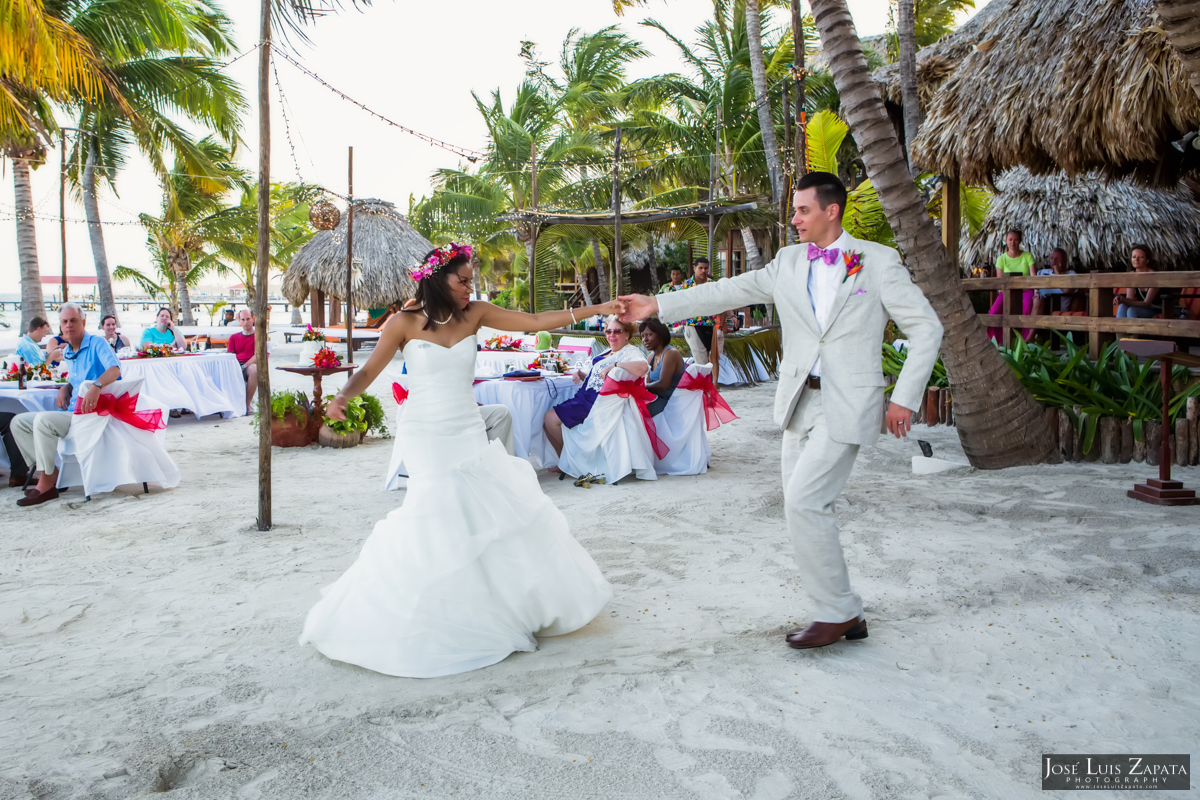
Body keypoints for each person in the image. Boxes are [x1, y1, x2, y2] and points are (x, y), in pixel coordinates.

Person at [618, 171, 943, 650]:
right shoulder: (788, 262)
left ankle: (835, 613)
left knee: (806, 501)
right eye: (794, 211)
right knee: (804, 507)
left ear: (831, 211)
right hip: (798, 401)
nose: (794, 220)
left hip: (848, 401)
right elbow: (726, 291)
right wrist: (657, 304)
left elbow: (927, 328)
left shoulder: (877, 262)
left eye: (802, 210)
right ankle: (846, 610)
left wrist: (903, 398)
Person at [299, 242, 618, 678]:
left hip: (466, 427)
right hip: (425, 431)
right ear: (437, 278)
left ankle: (488, 605)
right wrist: (341, 397)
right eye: (463, 280)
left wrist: (598, 308)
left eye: (472, 280)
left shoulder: (477, 314)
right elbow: (370, 370)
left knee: (477, 509)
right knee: (435, 509)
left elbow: (537, 321)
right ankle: (432, 611)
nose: (470, 287)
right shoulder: (402, 322)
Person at [11, 303, 122, 507]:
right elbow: (78, 378)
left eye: (73, 320)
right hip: (74, 412)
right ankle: (51, 473)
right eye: (64, 322)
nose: (68, 325)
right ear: (60, 326)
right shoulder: (69, 350)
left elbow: (115, 370)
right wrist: (66, 387)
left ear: (84, 322)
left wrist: (97, 385)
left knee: (44, 420)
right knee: (18, 422)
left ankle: (46, 484)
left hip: (91, 414)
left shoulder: (98, 343)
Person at [542, 316, 650, 457]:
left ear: (627, 334)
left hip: (595, 404)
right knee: (546, 423)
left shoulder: (630, 351)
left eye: (617, 331)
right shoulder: (608, 351)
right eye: (608, 331)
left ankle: (572, 462)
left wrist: (616, 365)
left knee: (549, 419)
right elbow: (599, 376)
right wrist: (583, 375)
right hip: (584, 398)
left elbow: (643, 367)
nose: (611, 335)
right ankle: (565, 462)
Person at [668, 258, 724, 365]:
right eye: (700, 268)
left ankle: (712, 382)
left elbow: (722, 303)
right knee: (701, 362)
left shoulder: (713, 285)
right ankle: (702, 381)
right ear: (695, 268)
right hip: (693, 326)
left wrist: (731, 317)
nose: (703, 271)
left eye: (706, 268)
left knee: (713, 363)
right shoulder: (686, 286)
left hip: (710, 326)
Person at [986, 229, 1035, 343]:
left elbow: (1034, 277)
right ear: (1006, 241)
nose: (1013, 242)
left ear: (1020, 241)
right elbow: (1000, 281)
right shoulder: (1001, 259)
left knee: (1027, 305)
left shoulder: (1028, 256)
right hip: (1007, 291)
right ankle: (995, 341)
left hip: (1026, 290)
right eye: (1010, 239)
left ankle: (1023, 341)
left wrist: (1036, 291)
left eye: (1016, 240)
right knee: (994, 312)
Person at [639, 317, 684, 416]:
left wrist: (643, 387)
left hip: (670, 402)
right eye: (642, 336)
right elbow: (647, 382)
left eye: (649, 335)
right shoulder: (651, 357)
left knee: (636, 412)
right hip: (656, 398)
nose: (644, 340)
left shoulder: (670, 353)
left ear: (660, 335)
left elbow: (663, 385)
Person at [226, 309, 258, 414]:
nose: (245, 322)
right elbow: (229, 356)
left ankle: (247, 405)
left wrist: (244, 366)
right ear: (239, 321)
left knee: (254, 369)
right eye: (243, 319)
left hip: (249, 366)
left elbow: (258, 355)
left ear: (253, 319)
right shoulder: (234, 338)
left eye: (248, 319)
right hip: (235, 365)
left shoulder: (258, 337)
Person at [1031, 248, 1079, 317]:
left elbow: (1066, 290)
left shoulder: (1071, 274)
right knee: (1036, 301)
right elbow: (1035, 286)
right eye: (1052, 258)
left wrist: (1058, 274)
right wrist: (1036, 293)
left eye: (1057, 258)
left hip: (1057, 307)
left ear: (1064, 261)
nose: (1054, 261)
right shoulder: (1042, 272)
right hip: (1040, 304)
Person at [1116, 245, 1161, 318]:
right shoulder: (1131, 275)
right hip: (1141, 308)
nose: (1136, 259)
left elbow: (1146, 303)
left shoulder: (1154, 276)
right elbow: (1130, 299)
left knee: (1132, 310)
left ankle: (1132, 329)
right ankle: (1120, 329)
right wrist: (1121, 299)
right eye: (1134, 257)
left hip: (1155, 308)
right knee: (1122, 306)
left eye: (1141, 257)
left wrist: (1125, 300)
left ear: (1147, 260)